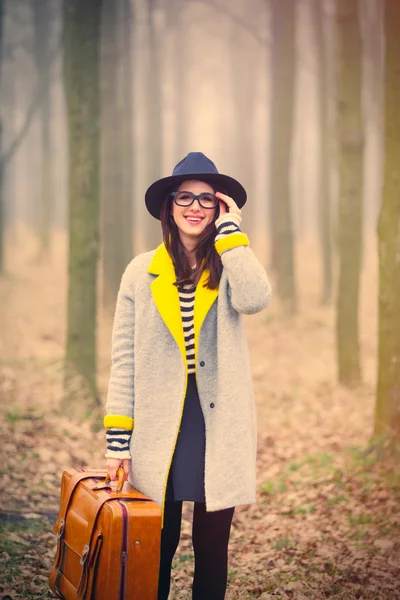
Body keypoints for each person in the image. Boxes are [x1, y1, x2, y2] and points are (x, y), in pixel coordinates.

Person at [104, 152, 272, 600]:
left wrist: (232, 238)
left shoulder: (230, 265)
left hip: (218, 423)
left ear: (219, 208)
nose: (194, 207)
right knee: (154, 545)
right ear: (169, 207)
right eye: (185, 197)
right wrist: (117, 443)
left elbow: (256, 299)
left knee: (212, 548)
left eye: (206, 199)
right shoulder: (141, 273)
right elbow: (124, 362)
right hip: (160, 425)